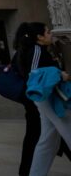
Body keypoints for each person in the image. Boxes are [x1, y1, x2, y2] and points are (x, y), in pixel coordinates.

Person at [15, 21, 71, 176]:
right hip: (47, 97)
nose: (50, 33)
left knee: (48, 141)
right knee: (67, 130)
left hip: (47, 97)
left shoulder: (42, 50)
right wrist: (59, 73)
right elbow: (34, 74)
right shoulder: (36, 50)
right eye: (47, 32)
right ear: (39, 37)